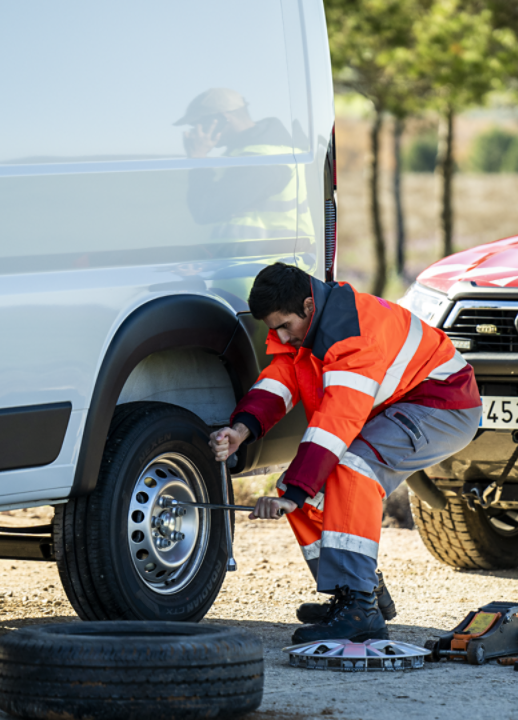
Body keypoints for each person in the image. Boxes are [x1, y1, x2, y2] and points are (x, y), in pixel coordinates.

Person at [210, 263, 481, 643]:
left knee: (348, 471)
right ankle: (354, 591)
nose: (281, 337)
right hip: (399, 403)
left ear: (308, 305)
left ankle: (360, 609)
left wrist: (293, 495)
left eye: (285, 326)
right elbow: (283, 378)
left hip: (442, 403)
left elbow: (335, 424)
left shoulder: (353, 338)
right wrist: (242, 428)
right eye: (274, 329)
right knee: (302, 489)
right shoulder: (313, 325)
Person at [175, 87, 312, 242]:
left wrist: (198, 158)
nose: (195, 133)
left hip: (264, 259)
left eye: (199, 124)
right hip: (256, 255)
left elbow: (205, 210)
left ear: (222, 120)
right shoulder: (251, 153)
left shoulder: (260, 159)